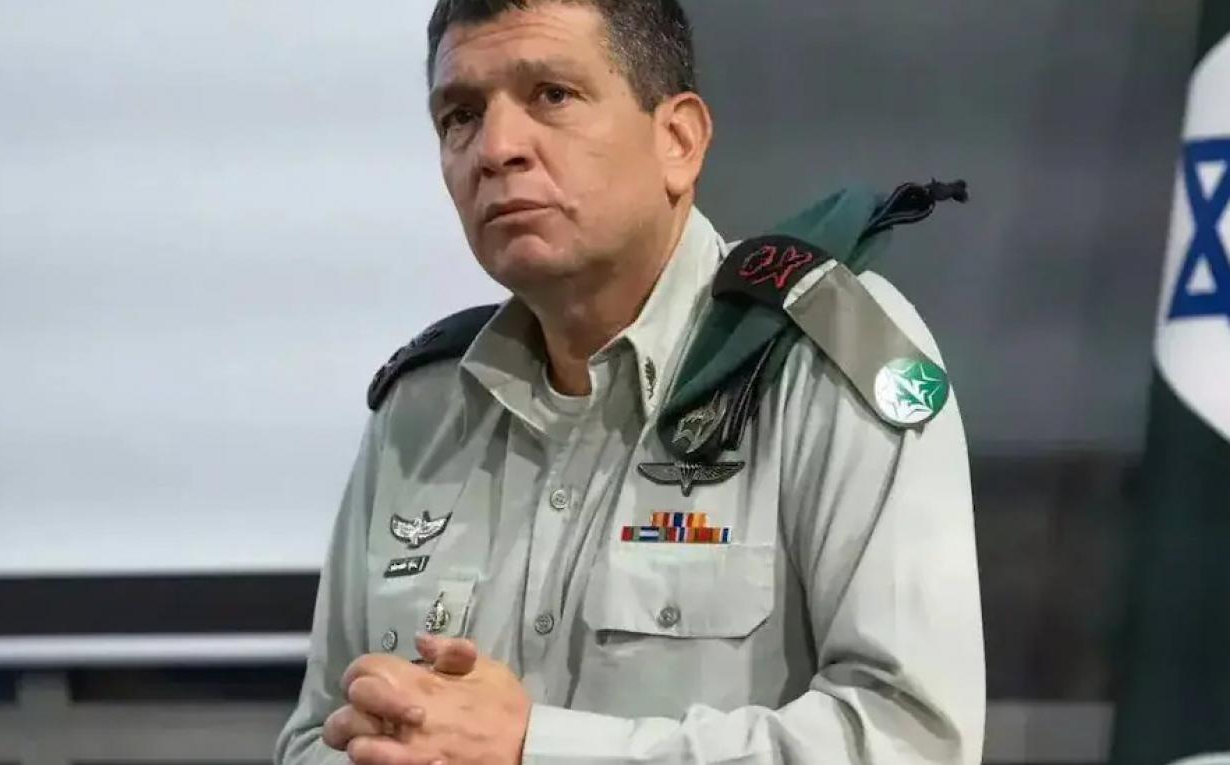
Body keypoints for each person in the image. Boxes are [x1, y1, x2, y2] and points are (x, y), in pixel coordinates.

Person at [275, 1, 985, 763]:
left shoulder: (820, 354)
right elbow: (317, 735)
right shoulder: (420, 408)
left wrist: (534, 748)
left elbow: (911, 738)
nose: (496, 148)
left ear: (678, 140)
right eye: (460, 116)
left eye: (552, 94)